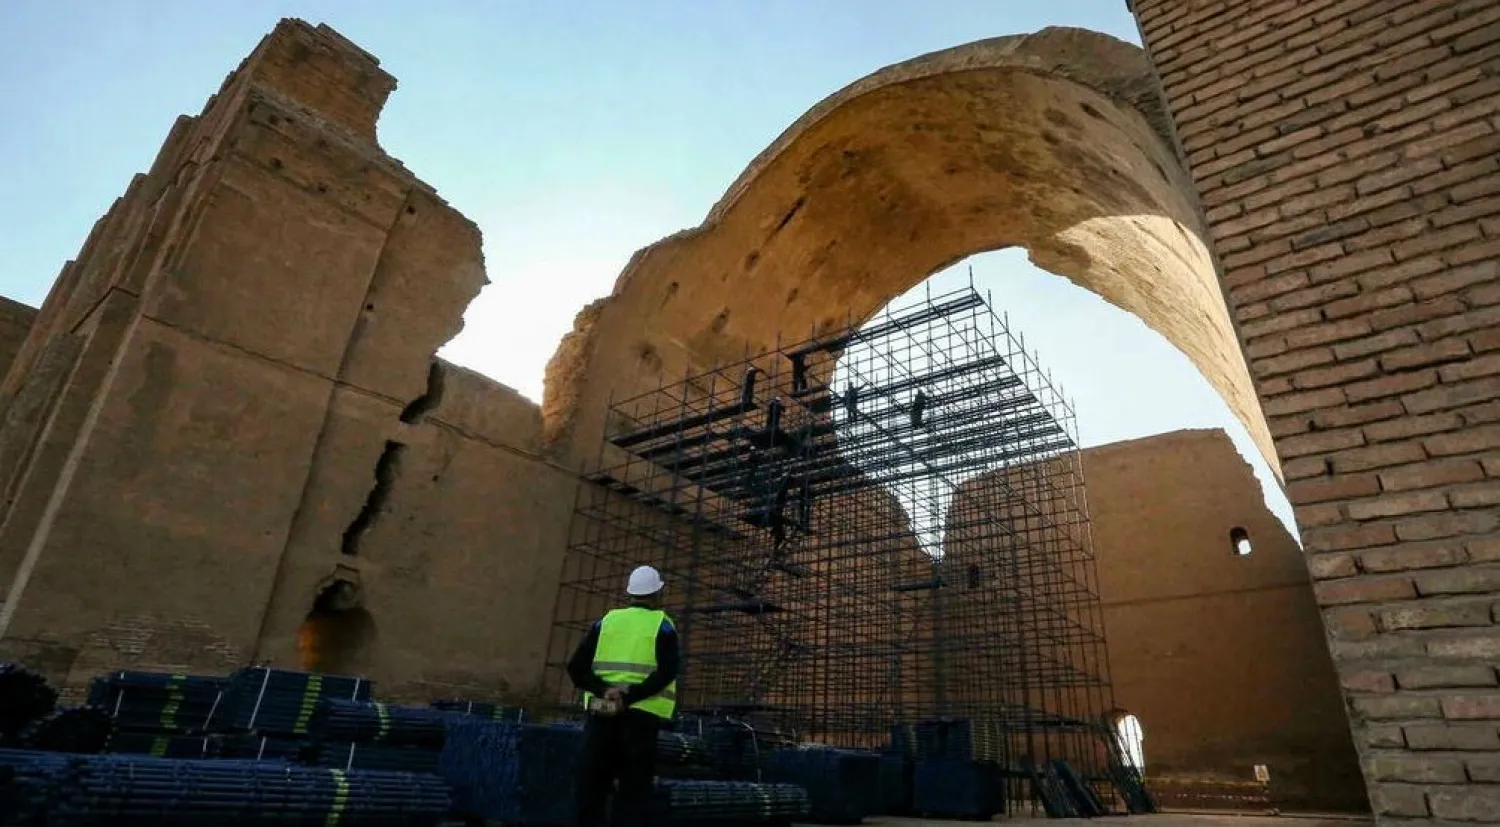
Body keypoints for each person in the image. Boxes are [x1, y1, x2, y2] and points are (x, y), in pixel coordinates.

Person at [567, 565, 680, 827]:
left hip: (601, 714)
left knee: (591, 788)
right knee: (633, 792)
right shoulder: (663, 625)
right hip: (640, 720)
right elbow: (667, 672)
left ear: (630, 593)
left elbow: (576, 668)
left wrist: (604, 690)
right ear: (657, 594)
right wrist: (628, 698)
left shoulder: (605, 622)